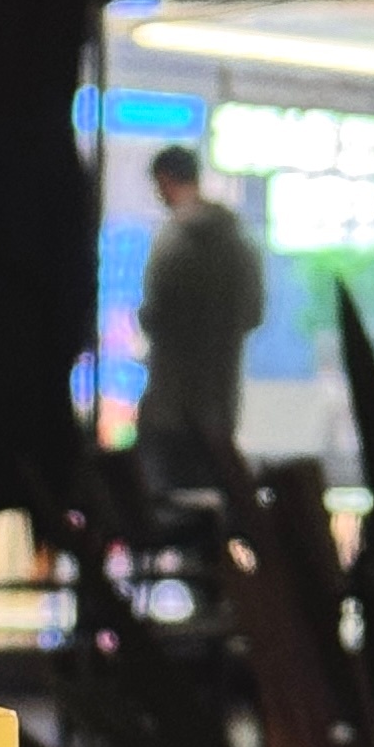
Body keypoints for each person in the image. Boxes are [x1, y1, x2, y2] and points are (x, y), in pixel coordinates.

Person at [134, 144, 263, 497]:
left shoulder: (172, 241)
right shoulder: (240, 242)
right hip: (219, 405)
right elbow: (254, 313)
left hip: (170, 404)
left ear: (165, 180)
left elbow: (154, 315)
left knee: (166, 504)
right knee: (211, 505)